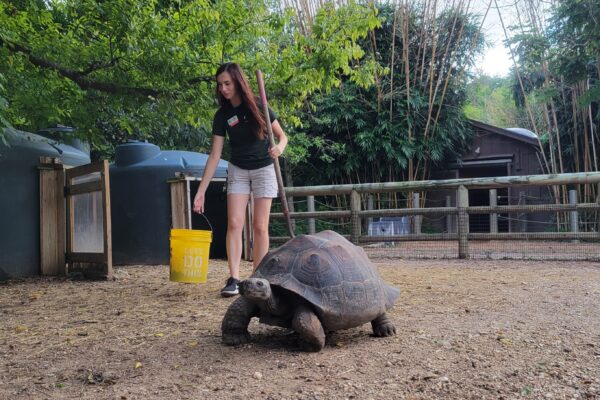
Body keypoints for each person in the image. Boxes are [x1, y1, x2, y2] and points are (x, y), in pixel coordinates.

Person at [193, 62, 288, 297]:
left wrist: (280, 148)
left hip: (264, 169)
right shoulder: (222, 115)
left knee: (259, 226)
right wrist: (201, 190)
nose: (223, 89)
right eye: (220, 85)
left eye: (227, 83)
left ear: (237, 82)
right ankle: (234, 279)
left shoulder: (258, 105)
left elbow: (282, 136)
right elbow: (215, 155)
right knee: (235, 223)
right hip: (237, 170)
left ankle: (257, 278)